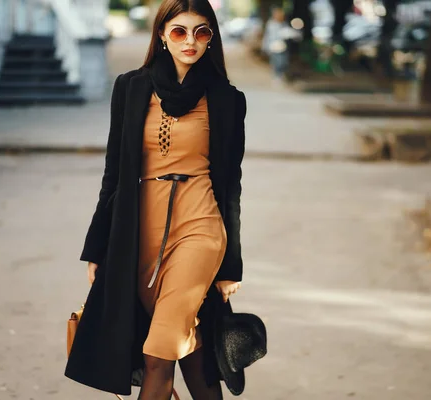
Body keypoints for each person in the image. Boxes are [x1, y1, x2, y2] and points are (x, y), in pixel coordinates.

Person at [64, 0, 247, 399]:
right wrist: (97, 248)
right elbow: (113, 174)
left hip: (200, 226)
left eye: (202, 32)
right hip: (139, 232)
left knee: (158, 352)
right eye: (180, 31)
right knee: (190, 348)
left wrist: (231, 265)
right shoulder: (131, 88)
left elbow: (230, 186)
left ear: (211, 39)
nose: (190, 41)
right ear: (162, 34)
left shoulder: (227, 99)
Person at [261, 7, 298, 84]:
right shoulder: (271, 24)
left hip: (283, 47)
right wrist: (265, 47)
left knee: (284, 62)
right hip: (274, 47)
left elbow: (288, 32)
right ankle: (276, 76)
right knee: (276, 62)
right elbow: (268, 36)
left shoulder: (284, 24)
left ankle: (280, 75)